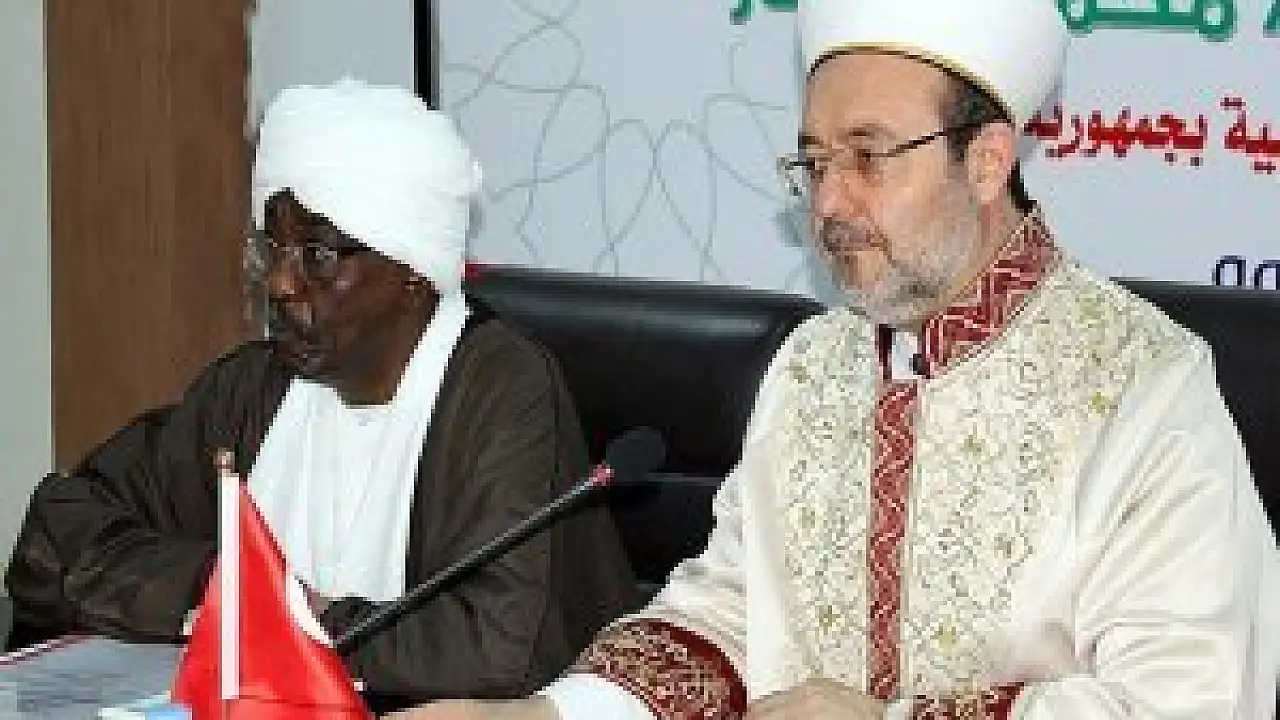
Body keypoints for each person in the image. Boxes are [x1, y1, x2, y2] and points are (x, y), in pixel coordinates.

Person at [386, 0, 1280, 718]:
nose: (830, 204)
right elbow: (729, 616)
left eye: (869, 156)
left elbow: (1189, 701)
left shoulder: (1144, 388)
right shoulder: (814, 366)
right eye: (814, 163)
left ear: (986, 161)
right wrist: (551, 712)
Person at [4, 79, 639, 702]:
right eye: (273, 249)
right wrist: (219, 591)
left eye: (318, 256)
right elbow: (53, 539)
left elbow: (493, 649)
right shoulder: (253, 389)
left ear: (412, 273)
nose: (281, 284)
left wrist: (284, 618)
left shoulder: (501, 391)